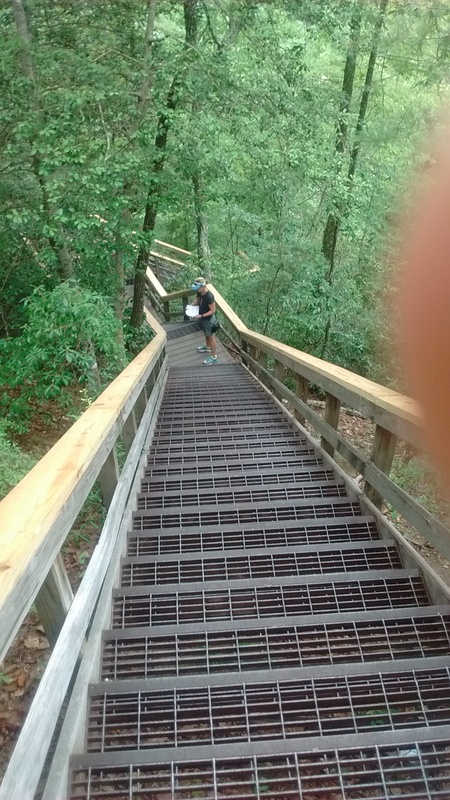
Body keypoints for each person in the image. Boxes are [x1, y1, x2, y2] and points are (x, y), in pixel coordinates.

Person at [190, 276, 218, 365]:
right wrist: (191, 306)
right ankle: (207, 346)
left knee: (211, 338)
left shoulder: (209, 296)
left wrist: (201, 315)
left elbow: (212, 310)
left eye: (198, 288)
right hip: (203, 319)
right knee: (207, 335)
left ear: (203, 287)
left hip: (209, 320)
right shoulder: (200, 292)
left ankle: (213, 357)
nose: (197, 290)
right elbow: (198, 300)